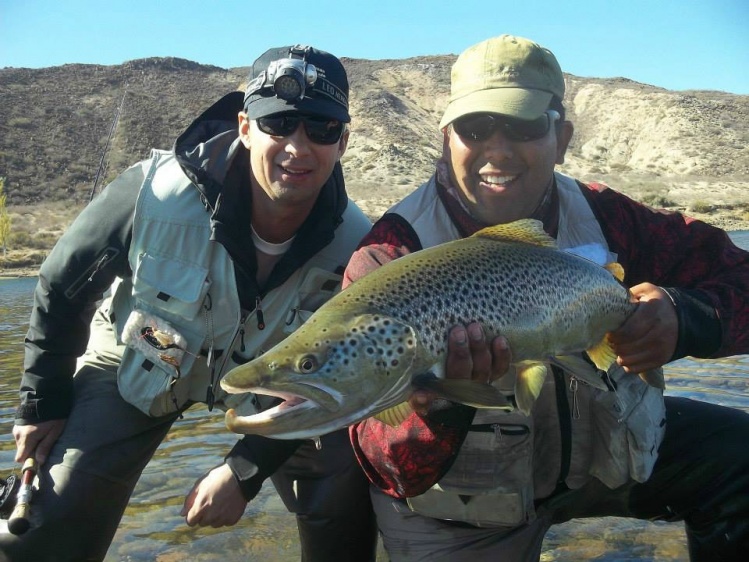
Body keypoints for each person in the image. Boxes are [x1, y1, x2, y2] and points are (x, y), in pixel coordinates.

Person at [342, 34, 749, 561]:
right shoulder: (390, 256)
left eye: (524, 126)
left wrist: (685, 319)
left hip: (604, 460)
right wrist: (439, 402)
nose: (498, 149)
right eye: (475, 128)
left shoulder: (611, 217)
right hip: (464, 508)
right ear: (446, 138)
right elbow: (387, 465)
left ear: (563, 138)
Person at [1, 45, 378, 561]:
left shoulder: (359, 248)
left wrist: (243, 472)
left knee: (346, 465)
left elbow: (334, 380)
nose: (298, 146)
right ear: (245, 127)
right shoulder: (153, 192)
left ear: (344, 141)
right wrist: (41, 401)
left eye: (322, 129)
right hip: (133, 361)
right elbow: (62, 286)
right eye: (280, 123)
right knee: (43, 517)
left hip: (269, 391)